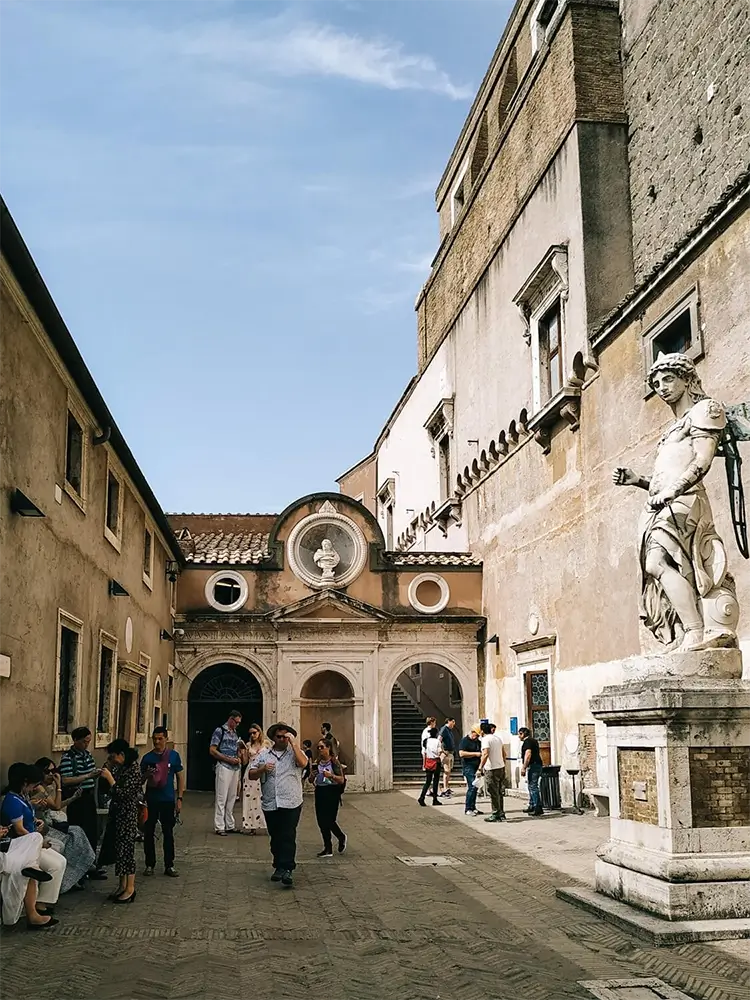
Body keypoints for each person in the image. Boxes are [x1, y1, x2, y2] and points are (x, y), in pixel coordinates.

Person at [613, 352, 739, 651]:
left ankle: (697, 630)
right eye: (656, 383)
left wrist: (673, 491)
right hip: (660, 505)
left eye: (669, 379)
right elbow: (666, 473)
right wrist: (639, 481)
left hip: (685, 500)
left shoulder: (706, 410)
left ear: (687, 379)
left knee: (658, 563)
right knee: (665, 567)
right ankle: (684, 632)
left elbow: (702, 461)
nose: (662, 387)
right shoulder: (672, 427)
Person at [0, 763, 67, 918]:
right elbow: (19, 830)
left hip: (32, 840)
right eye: (33, 785)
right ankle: (38, 906)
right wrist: (39, 842)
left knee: (60, 862)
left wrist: (37, 821)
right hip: (22, 845)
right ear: (24, 783)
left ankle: (42, 902)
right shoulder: (12, 801)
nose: (34, 788)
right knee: (54, 865)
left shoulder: (22, 798)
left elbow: (27, 820)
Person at [246, 723, 307, 888]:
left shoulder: (294, 753)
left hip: (291, 801)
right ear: (273, 738)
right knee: (275, 836)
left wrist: (294, 744)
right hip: (271, 802)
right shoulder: (264, 755)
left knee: (288, 835)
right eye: (279, 736)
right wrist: (262, 769)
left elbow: (303, 763)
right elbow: (251, 774)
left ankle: (288, 868)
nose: (282, 739)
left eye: (285, 736)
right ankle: (278, 865)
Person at [32, 758, 95, 892]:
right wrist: (59, 786)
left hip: (50, 824)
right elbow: (56, 806)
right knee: (73, 836)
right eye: (47, 771)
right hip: (43, 827)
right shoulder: (39, 788)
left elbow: (57, 806)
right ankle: (77, 871)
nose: (51, 774)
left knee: (77, 832)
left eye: (53, 771)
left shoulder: (47, 787)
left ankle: (82, 868)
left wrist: (72, 798)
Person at [59, 725, 106, 880]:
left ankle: (91, 865)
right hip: (76, 799)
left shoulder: (87, 755)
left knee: (92, 831)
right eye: (85, 742)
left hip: (89, 797)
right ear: (76, 741)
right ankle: (80, 869)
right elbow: (65, 780)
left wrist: (97, 774)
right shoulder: (68, 758)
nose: (87, 744)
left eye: (89, 741)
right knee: (80, 833)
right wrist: (87, 776)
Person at [99, 741, 141, 903]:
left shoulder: (134, 769)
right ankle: (122, 885)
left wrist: (111, 779)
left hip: (127, 815)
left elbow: (124, 794)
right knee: (119, 851)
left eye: (114, 756)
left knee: (127, 851)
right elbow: (106, 789)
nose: (113, 759)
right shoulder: (119, 767)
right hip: (116, 813)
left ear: (122, 754)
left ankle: (130, 888)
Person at [141, 727, 184, 876]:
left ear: (166, 739)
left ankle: (169, 864)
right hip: (152, 799)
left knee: (168, 832)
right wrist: (146, 775)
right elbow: (140, 780)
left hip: (167, 799)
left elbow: (179, 777)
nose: (157, 742)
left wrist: (179, 798)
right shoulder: (147, 758)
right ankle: (149, 864)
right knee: (149, 832)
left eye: (160, 738)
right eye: (154, 739)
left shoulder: (173, 756)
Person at [0, 822, 58, 929]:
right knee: (21, 869)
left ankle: (32, 866)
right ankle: (33, 916)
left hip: (5, 845)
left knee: (35, 837)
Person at [309, 738, 346, 858]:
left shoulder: (334, 762)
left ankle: (341, 836)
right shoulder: (317, 762)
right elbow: (311, 779)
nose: (319, 749)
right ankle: (327, 848)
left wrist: (331, 776)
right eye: (318, 747)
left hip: (332, 792)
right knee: (321, 821)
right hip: (320, 791)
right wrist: (311, 776)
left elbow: (341, 779)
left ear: (328, 748)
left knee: (329, 820)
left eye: (322, 747)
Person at [209, 710, 242, 835]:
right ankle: (219, 826)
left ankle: (230, 824)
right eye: (236, 722)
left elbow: (237, 749)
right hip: (224, 766)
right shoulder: (220, 731)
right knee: (221, 797)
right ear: (231, 719)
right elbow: (212, 750)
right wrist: (227, 759)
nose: (237, 725)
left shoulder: (235, 733)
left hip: (235, 767)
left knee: (232, 797)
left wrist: (239, 755)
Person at [241, 723, 268, 835]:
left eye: (254, 733)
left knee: (264, 798)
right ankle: (251, 825)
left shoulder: (266, 744)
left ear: (259, 732)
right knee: (250, 799)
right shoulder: (248, 745)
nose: (252, 735)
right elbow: (245, 762)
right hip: (250, 771)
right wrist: (242, 752)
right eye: (251, 733)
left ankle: (266, 824)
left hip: (263, 770)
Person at [478, 722, 506, 822]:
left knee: (493, 792)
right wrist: (503, 763)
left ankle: (495, 813)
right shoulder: (497, 739)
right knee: (499, 791)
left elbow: (485, 754)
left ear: (482, 731)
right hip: (500, 767)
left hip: (491, 768)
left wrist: (480, 767)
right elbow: (504, 753)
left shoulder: (485, 740)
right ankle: (501, 812)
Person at [458, 725, 484, 816]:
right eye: (476, 735)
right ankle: (468, 808)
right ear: (472, 732)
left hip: (477, 767)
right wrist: (475, 754)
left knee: (476, 787)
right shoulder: (465, 741)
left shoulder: (478, 742)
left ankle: (473, 807)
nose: (476, 737)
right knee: (472, 786)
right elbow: (461, 753)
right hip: (468, 766)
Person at [518, 727, 544, 816]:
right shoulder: (533, 740)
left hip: (533, 765)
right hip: (537, 764)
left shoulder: (527, 742)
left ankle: (537, 807)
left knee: (533, 786)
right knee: (531, 786)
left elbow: (528, 754)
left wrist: (524, 767)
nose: (518, 736)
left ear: (523, 734)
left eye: (520, 734)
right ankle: (532, 805)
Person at [417, 727, 442, 807]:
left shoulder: (426, 741)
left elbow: (424, 752)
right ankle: (435, 799)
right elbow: (439, 751)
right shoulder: (437, 741)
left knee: (428, 781)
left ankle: (422, 797)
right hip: (436, 761)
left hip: (428, 761)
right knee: (436, 781)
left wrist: (424, 764)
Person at [438, 718, 457, 797]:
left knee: (448, 771)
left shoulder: (449, 730)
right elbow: (439, 740)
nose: (454, 724)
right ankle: (445, 788)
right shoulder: (444, 729)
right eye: (453, 722)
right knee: (446, 770)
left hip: (450, 752)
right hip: (446, 752)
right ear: (448, 721)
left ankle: (447, 787)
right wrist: (442, 751)